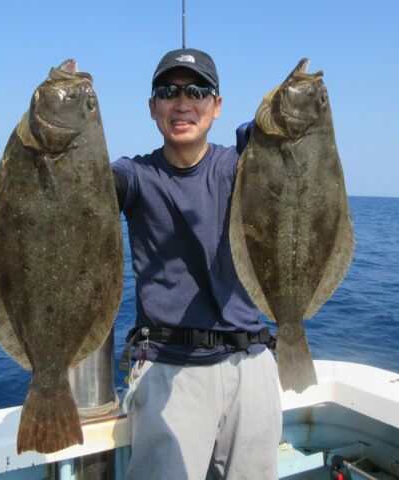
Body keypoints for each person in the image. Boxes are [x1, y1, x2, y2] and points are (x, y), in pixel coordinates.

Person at [111, 48, 282, 480]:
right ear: (152, 107)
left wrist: (271, 138)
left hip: (251, 366)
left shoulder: (239, 166)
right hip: (169, 367)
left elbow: (276, 163)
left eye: (198, 91)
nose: (182, 102)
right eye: (169, 92)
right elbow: (100, 186)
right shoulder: (135, 175)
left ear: (217, 105)